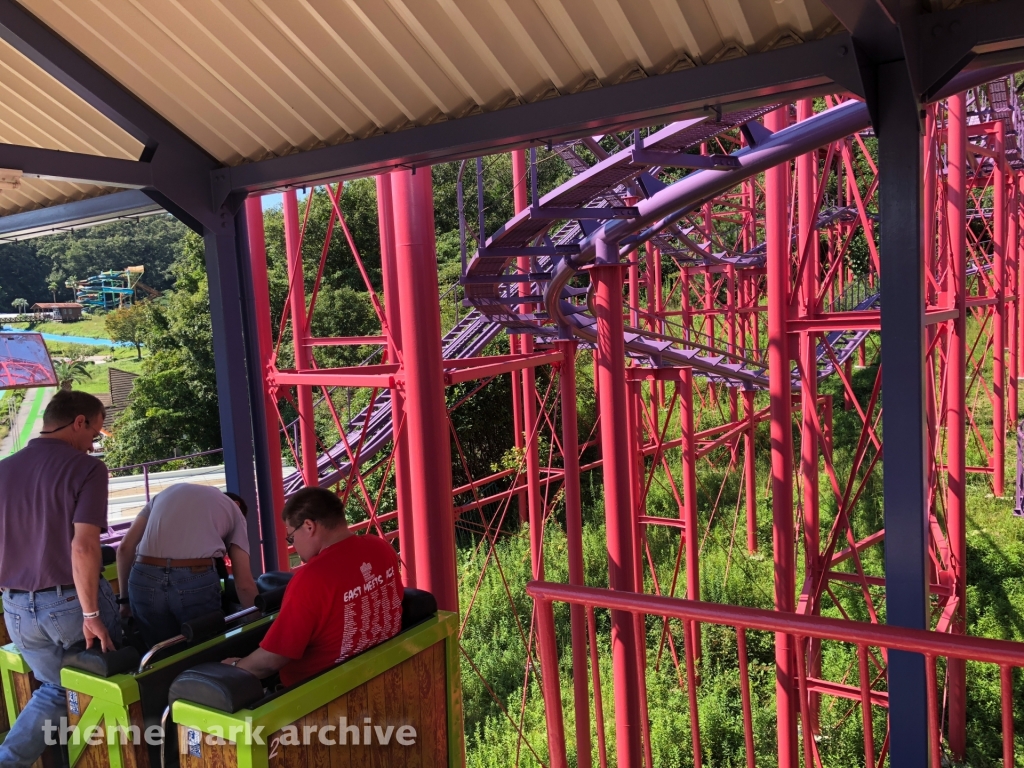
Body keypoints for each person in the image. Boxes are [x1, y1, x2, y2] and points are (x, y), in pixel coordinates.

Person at [0, 390, 121, 768]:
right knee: (106, 683)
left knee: (56, 690)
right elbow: (84, 546)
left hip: (16, 607)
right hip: (71, 605)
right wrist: (91, 614)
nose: (93, 445)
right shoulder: (86, 469)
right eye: (94, 433)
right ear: (79, 422)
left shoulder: (4, 469)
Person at [223, 487, 402, 687]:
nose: (294, 546)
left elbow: (272, 659)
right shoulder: (380, 547)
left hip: (319, 690)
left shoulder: (312, 578)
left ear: (309, 526)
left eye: (291, 537)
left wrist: (236, 667)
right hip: (379, 670)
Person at [116, 484, 258, 647]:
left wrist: (125, 602)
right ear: (237, 504)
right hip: (194, 579)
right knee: (204, 649)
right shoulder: (234, 510)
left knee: (161, 652)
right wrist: (258, 626)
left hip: (143, 579)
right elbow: (244, 584)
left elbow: (124, 549)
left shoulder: (164, 494)